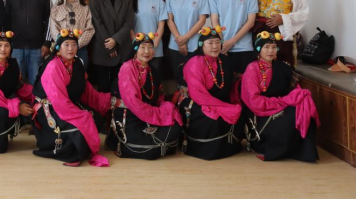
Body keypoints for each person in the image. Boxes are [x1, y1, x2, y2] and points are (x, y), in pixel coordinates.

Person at [32, 29, 118, 167]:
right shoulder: (53, 66)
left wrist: (109, 100)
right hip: (50, 107)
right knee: (79, 125)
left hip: (67, 103)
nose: (70, 48)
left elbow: (86, 90)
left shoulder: (77, 63)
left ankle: (84, 150)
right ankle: (70, 152)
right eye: (66, 44)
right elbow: (58, 101)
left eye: (74, 44)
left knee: (95, 116)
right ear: (59, 47)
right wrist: (80, 115)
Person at [241, 31, 319, 162]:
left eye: (273, 47)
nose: (270, 51)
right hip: (261, 113)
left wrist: (299, 97)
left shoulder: (283, 67)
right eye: (266, 47)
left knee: (303, 112)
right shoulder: (252, 69)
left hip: (282, 107)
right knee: (287, 122)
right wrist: (283, 102)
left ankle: (303, 153)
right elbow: (254, 102)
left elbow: (295, 91)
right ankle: (274, 151)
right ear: (259, 49)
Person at [105, 32, 182, 160]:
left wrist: (166, 108)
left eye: (150, 47)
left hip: (148, 115)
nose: (147, 51)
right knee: (150, 153)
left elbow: (159, 98)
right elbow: (133, 102)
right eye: (143, 47)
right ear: (135, 50)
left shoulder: (153, 71)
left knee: (175, 126)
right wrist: (158, 115)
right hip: (129, 116)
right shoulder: (127, 68)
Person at [179, 26, 243, 160]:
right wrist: (223, 106)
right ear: (201, 45)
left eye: (218, 42)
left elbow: (230, 85)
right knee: (212, 119)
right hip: (197, 101)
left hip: (219, 100)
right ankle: (207, 150)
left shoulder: (224, 60)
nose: (215, 46)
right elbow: (197, 94)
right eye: (210, 43)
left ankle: (228, 147)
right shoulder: (195, 62)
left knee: (237, 112)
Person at [209, 0, 259, 75]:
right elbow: (214, 21)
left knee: (244, 82)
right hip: (222, 47)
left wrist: (232, 41)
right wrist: (222, 42)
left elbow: (250, 22)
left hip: (244, 46)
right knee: (224, 82)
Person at [5, 0, 52, 87]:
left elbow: (49, 19)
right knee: (17, 81)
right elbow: (6, 20)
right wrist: (8, 43)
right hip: (16, 46)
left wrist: (46, 43)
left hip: (37, 47)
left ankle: (35, 100)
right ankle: (18, 100)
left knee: (36, 81)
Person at [89, 0, 134, 92]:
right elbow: (97, 23)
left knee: (119, 87)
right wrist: (109, 45)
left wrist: (115, 40)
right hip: (102, 47)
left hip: (121, 47)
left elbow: (128, 23)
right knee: (103, 87)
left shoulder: (127, 0)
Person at [166, 0, 210, 84]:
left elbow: (202, 20)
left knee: (195, 77)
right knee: (179, 77)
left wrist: (185, 38)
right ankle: (181, 96)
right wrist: (180, 40)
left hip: (195, 44)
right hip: (175, 44)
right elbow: (169, 20)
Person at [49, 0, 95, 65]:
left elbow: (90, 28)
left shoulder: (85, 8)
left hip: (80, 49)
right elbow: (53, 28)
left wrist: (76, 45)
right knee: (61, 72)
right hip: (61, 49)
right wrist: (64, 44)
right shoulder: (56, 8)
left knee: (80, 72)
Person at [132, 0, 167, 74]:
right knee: (137, 78)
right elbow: (128, 27)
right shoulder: (130, 2)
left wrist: (153, 46)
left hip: (155, 48)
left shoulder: (159, 2)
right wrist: (136, 45)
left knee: (155, 78)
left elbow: (161, 26)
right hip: (137, 48)